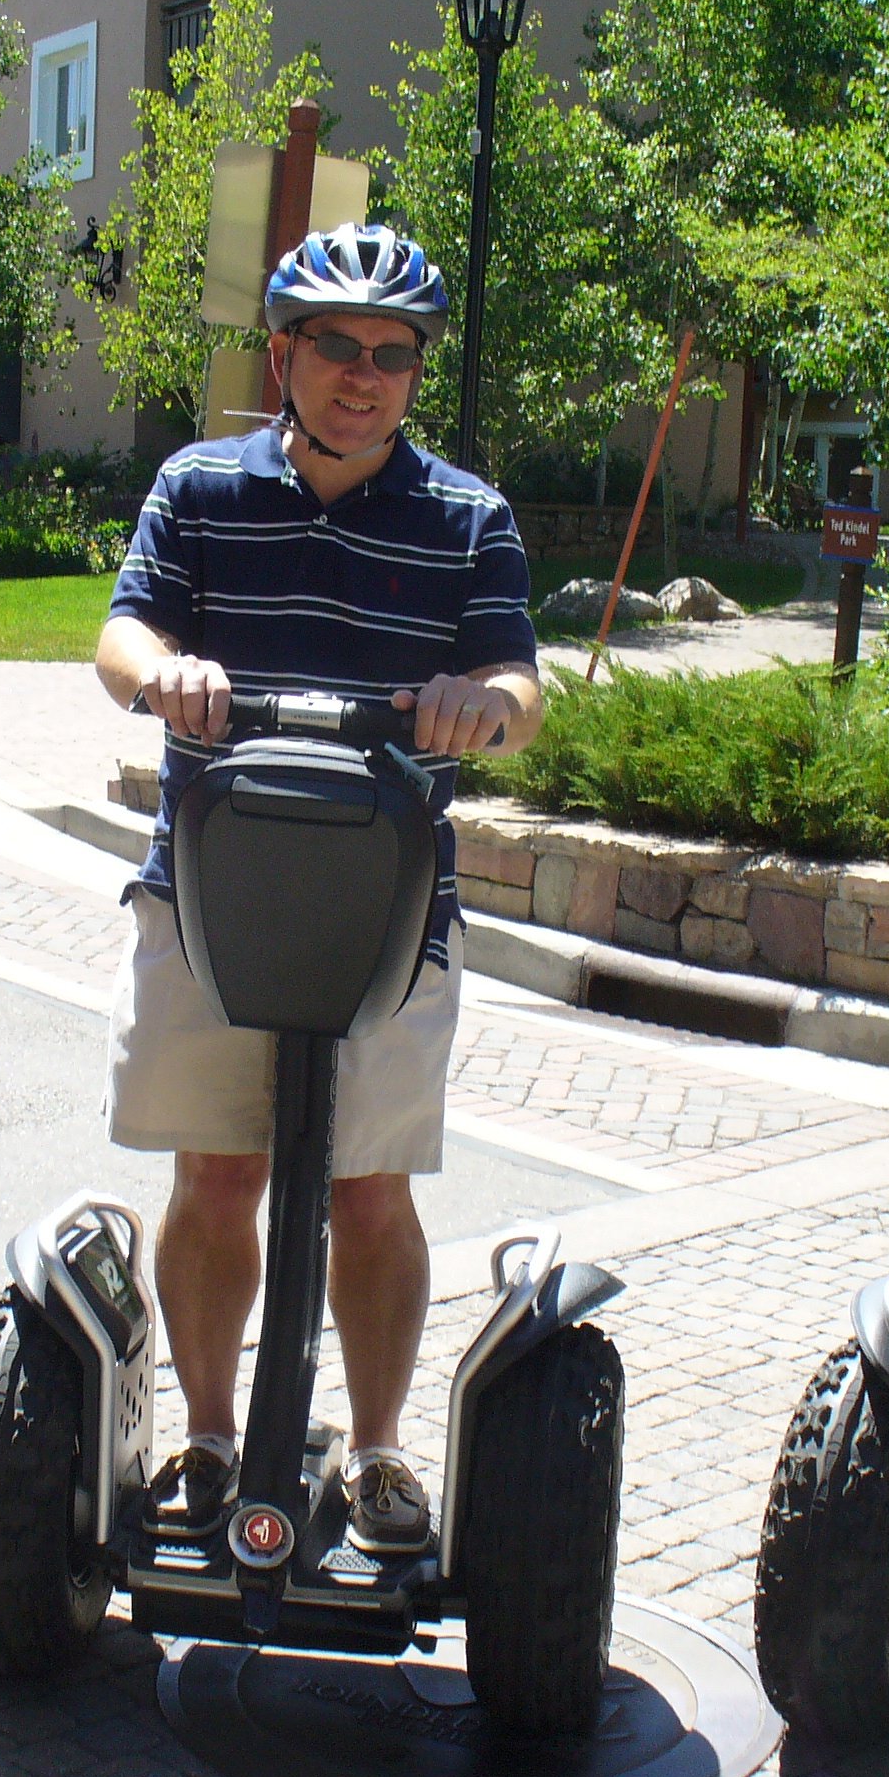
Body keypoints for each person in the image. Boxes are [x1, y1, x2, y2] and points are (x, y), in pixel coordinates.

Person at [94, 223, 542, 1550]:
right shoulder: (200, 487)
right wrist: (156, 674)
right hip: (211, 895)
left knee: (370, 1190)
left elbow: (519, 682)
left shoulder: (467, 516)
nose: (362, 375)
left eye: (391, 355)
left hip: (389, 910)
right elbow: (124, 630)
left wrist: (483, 703)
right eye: (335, 347)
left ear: (416, 372)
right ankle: (213, 1436)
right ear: (283, 352)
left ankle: (384, 1453)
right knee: (218, 1174)